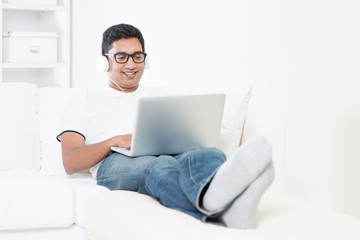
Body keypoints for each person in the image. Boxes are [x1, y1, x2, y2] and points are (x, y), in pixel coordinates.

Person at [57, 23, 274, 229]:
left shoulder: (162, 94)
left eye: (137, 56)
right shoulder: (83, 100)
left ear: (145, 60)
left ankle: (225, 202)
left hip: (168, 153)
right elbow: (70, 162)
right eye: (121, 57)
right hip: (115, 162)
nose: (131, 64)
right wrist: (115, 141)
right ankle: (223, 211)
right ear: (104, 62)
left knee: (208, 154)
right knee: (159, 167)